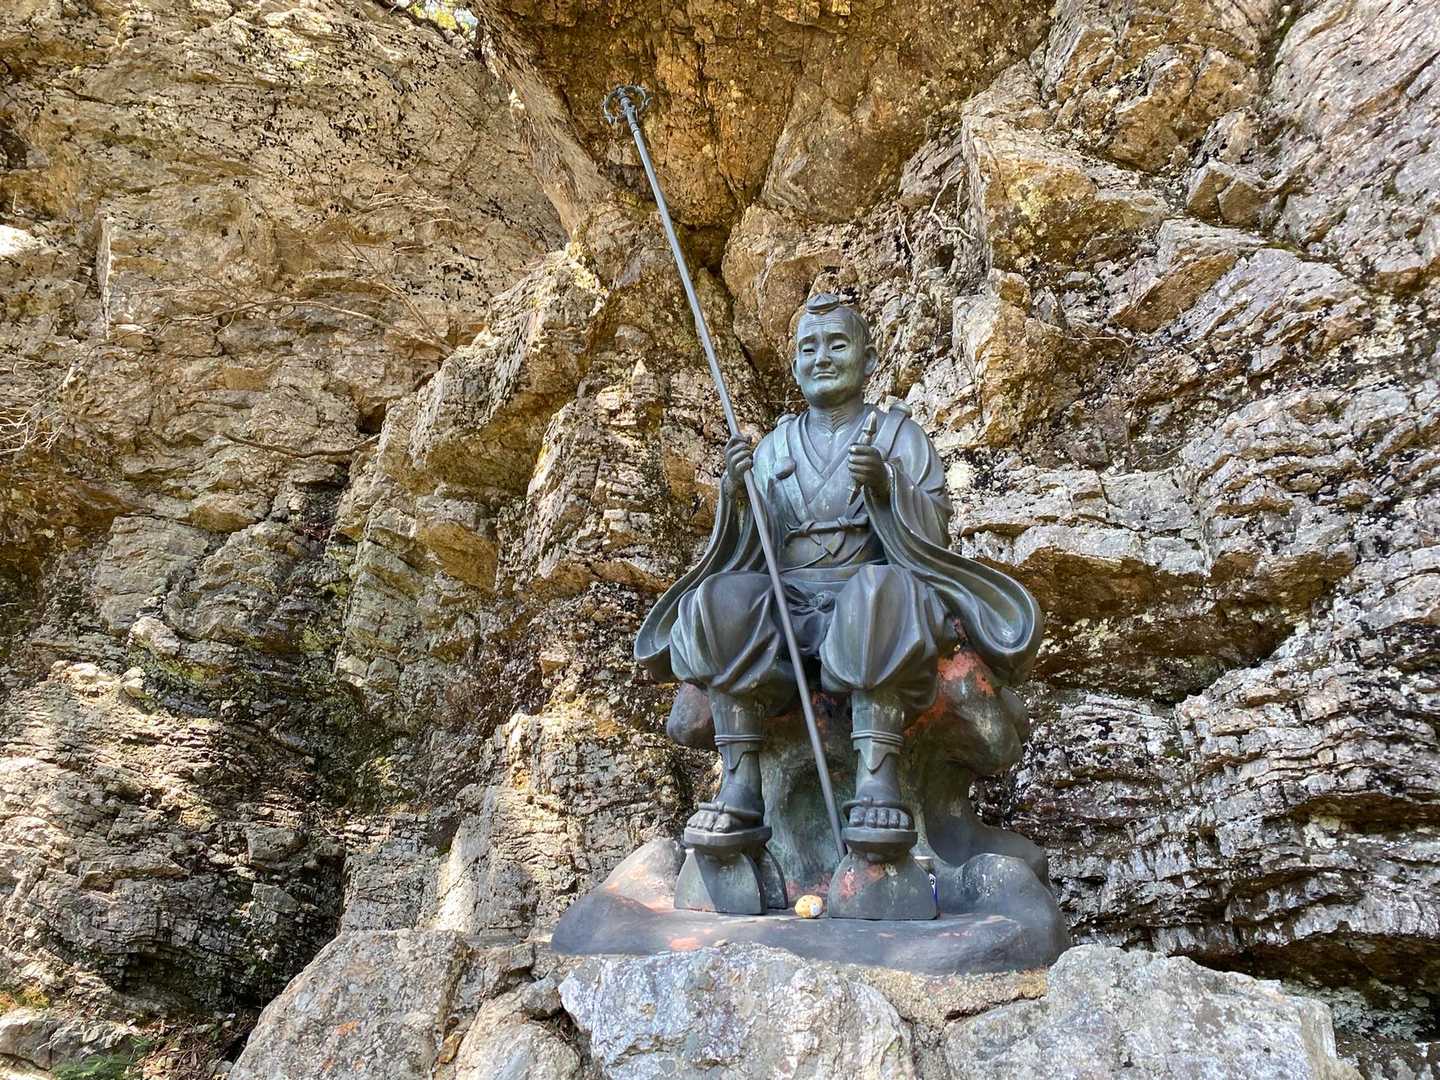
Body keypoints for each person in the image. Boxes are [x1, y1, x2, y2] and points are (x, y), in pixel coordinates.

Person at [636, 293, 1042, 861]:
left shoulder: (898, 437)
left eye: (837, 344)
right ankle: (741, 782)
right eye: (809, 348)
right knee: (717, 599)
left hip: (864, 596)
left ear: (868, 360)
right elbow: (754, 549)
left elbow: (933, 533)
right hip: (790, 598)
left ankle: (877, 776)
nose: (822, 357)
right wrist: (738, 498)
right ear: (795, 365)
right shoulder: (774, 446)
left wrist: (888, 485)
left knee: (880, 594)